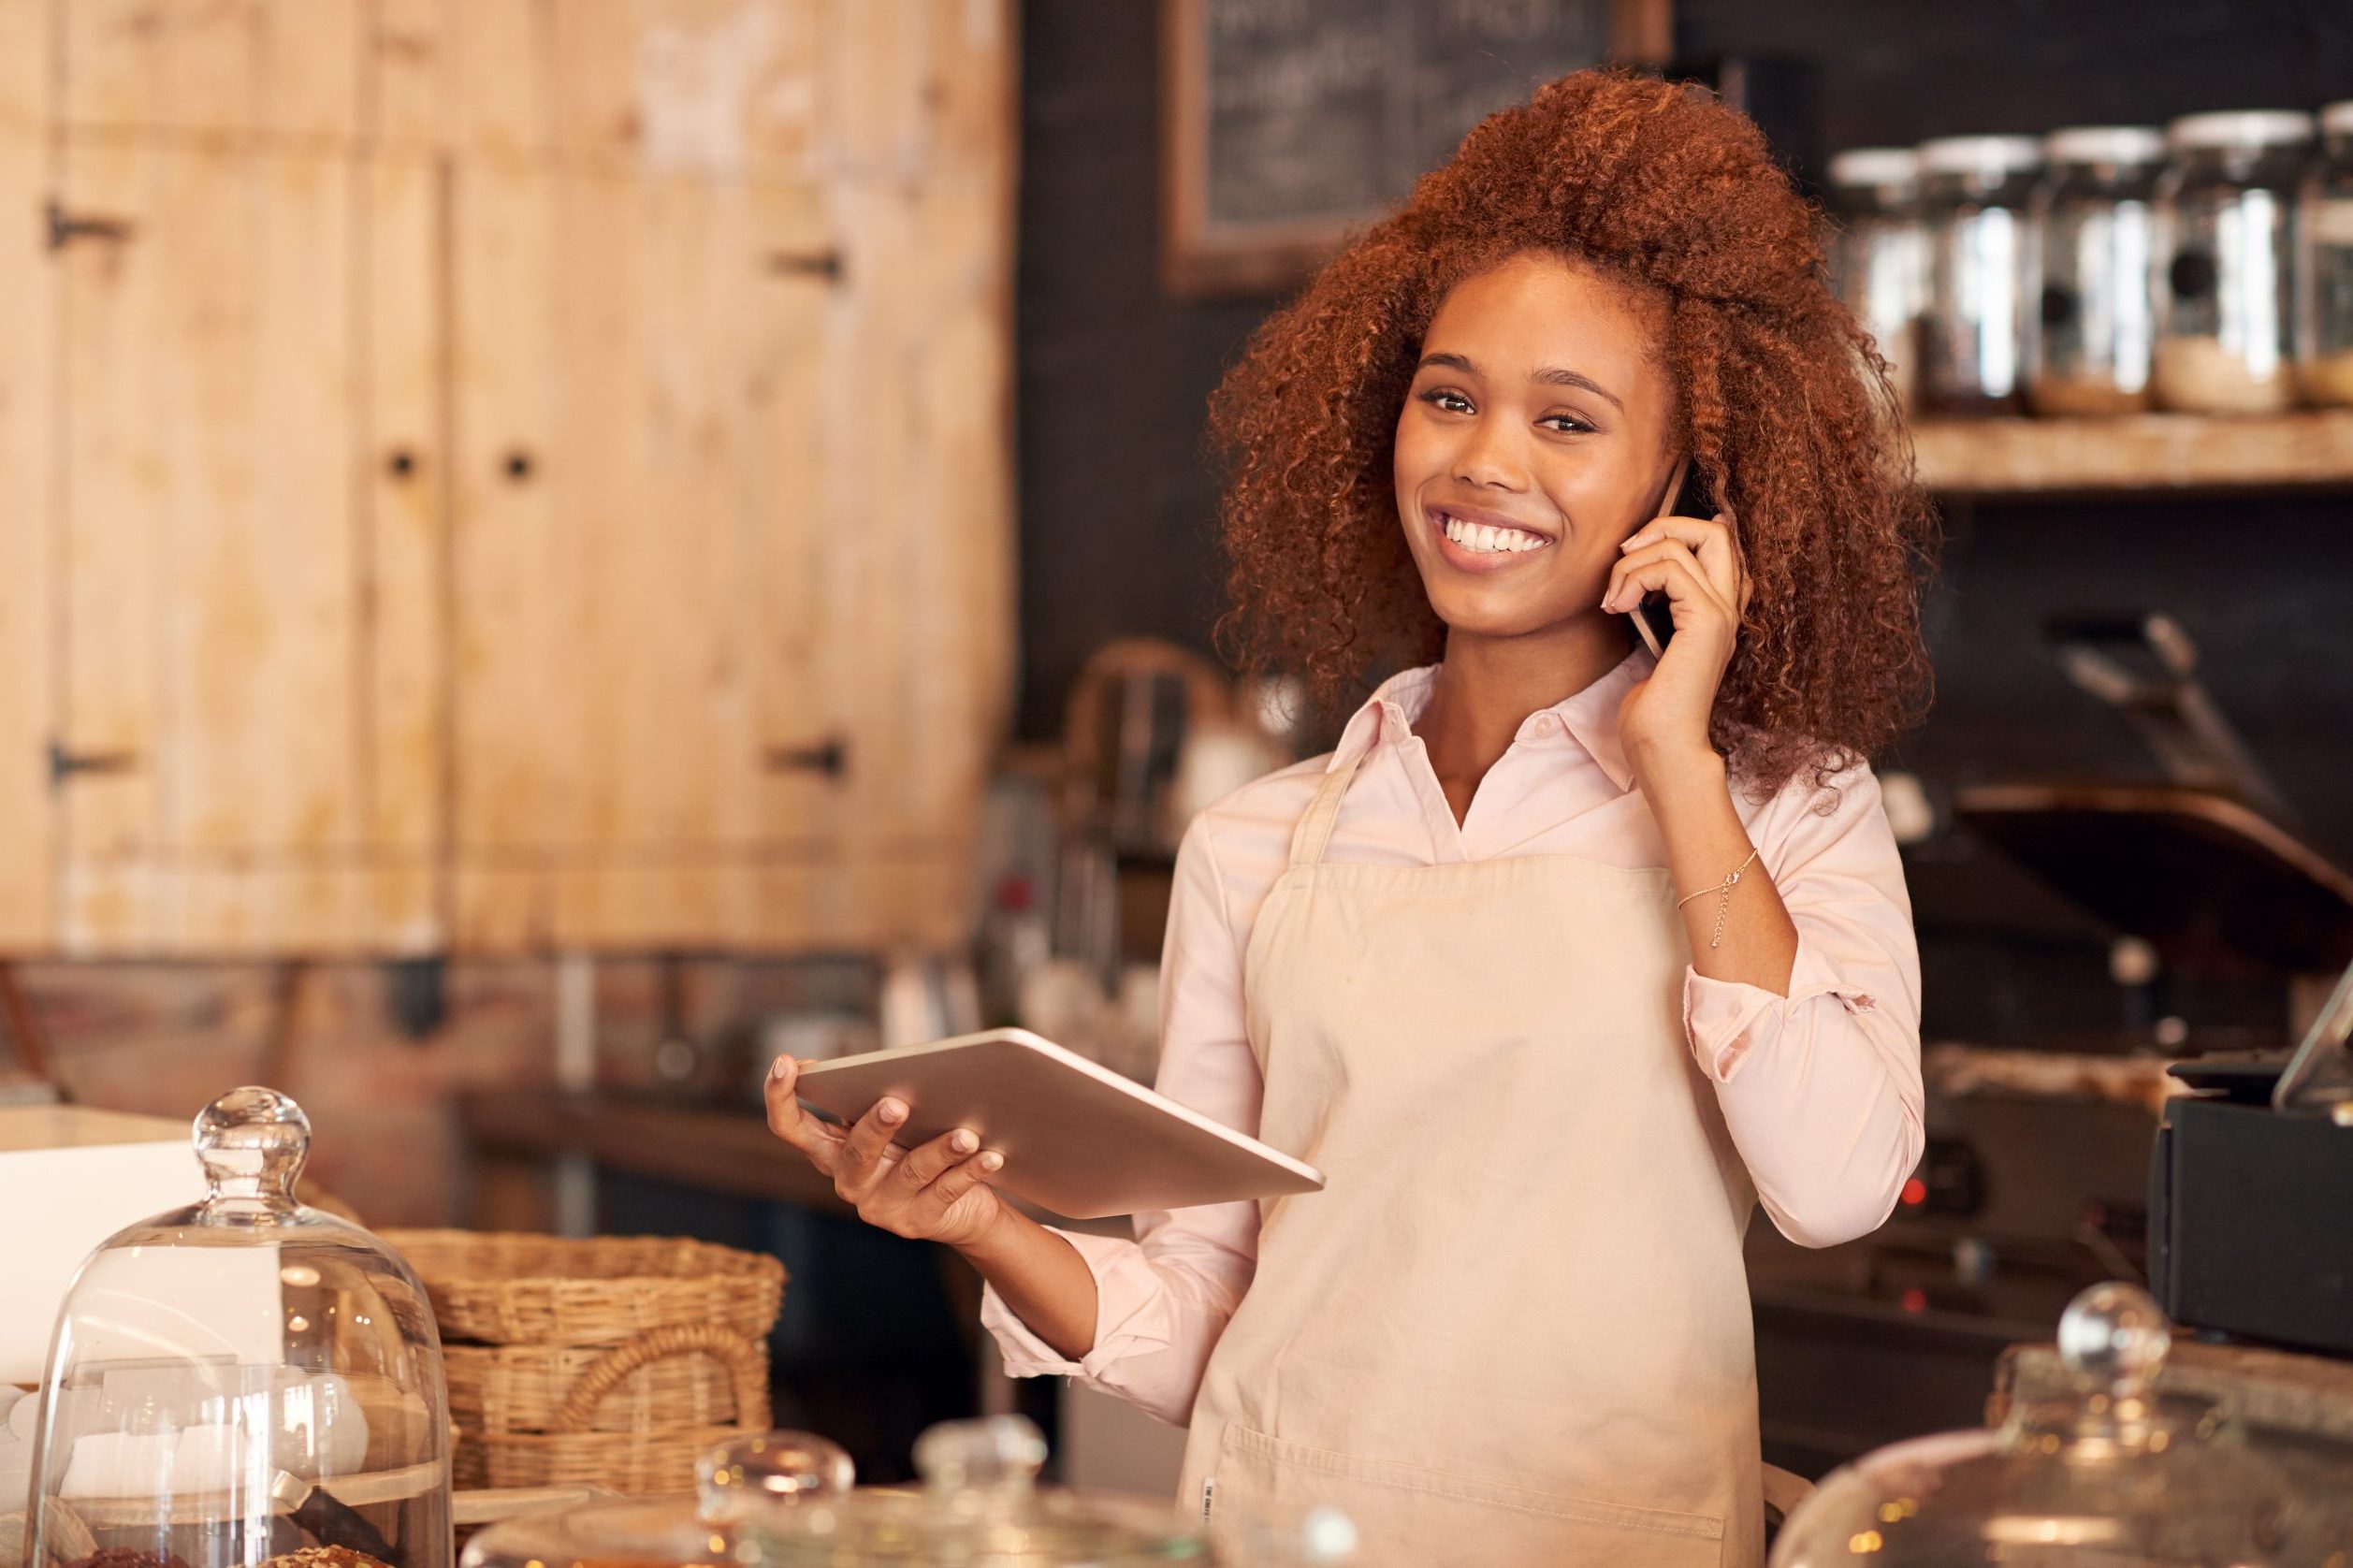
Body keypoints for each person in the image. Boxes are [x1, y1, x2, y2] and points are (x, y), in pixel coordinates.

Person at [764, 68, 1934, 1568]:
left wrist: (1678, 761)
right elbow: (1212, 1329)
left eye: (1566, 420)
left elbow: (1837, 1188)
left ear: (1688, 483)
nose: (1481, 462)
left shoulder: (1788, 807)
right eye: (1448, 397)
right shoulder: (1257, 843)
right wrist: (978, 1223)